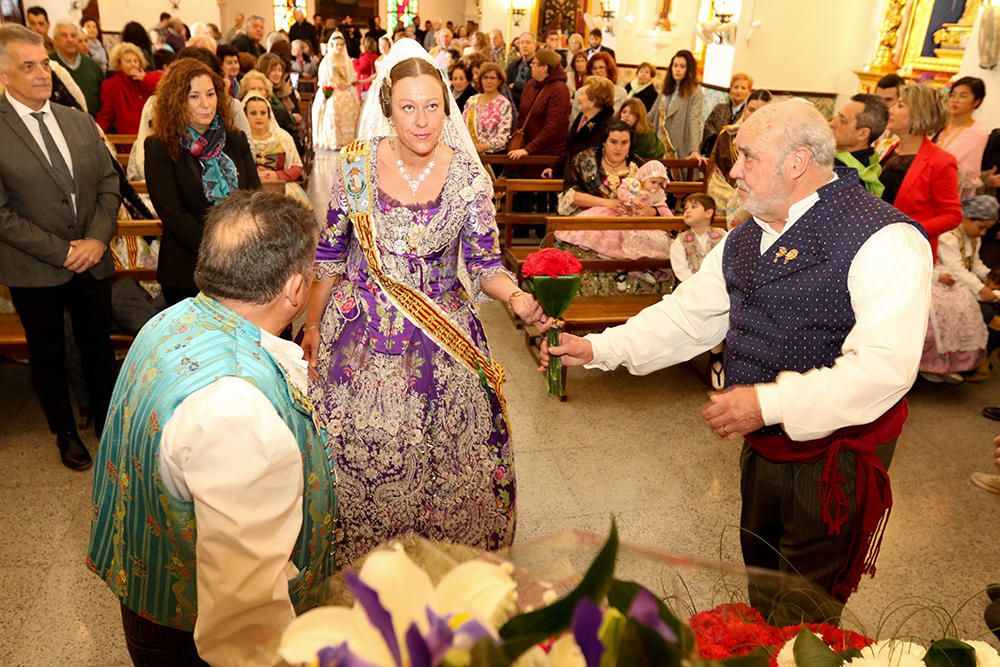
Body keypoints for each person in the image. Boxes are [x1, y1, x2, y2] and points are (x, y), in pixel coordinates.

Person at [541, 100, 933, 625]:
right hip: (761, 442)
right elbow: (686, 318)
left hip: (834, 458)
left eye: (747, 156)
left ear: (797, 161)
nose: (733, 170)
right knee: (765, 581)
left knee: (805, 614)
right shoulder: (748, 235)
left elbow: (884, 368)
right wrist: (598, 348)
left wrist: (767, 402)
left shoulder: (885, 239)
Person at [300, 39, 549, 564]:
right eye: (408, 107)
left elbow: (485, 264)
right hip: (358, 339)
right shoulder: (355, 168)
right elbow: (328, 256)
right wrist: (314, 325)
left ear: (447, 107)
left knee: (446, 464)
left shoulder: (468, 176)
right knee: (360, 466)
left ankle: (441, 572)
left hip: (442, 340)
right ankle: (364, 573)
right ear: (388, 108)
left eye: (432, 106)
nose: (421, 121)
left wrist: (517, 298)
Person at [87, 190, 337, 667]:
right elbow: (244, 612)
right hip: (197, 638)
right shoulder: (237, 407)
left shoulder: (171, 320)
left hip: (149, 593)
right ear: (293, 288)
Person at [0, 24, 120, 470]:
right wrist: (61, 251)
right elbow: (1, 214)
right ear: (4, 74)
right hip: (35, 266)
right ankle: (65, 433)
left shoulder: (75, 118)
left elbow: (110, 183)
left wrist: (96, 239)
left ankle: (109, 423)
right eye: (27, 66)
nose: (41, 74)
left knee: (97, 345)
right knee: (47, 352)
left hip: (91, 258)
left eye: (44, 64)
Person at [145, 59, 261, 306]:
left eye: (210, 94)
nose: (206, 104)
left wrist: (241, 244)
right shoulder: (161, 148)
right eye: (194, 97)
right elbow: (173, 213)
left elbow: (254, 196)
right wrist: (220, 248)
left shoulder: (235, 139)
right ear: (177, 101)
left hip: (242, 261)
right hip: (188, 267)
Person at [881, 83, 962, 262]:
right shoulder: (892, 149)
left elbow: (952, 215)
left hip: (908, 252)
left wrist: (911, 229)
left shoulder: (940, 161)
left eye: (900, 105)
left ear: (918, 114)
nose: (891, 110)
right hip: (879, 242)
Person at [935, 195, 1000, 382]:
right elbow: (957, 269)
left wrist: (989, 275)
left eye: (987, 228)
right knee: (974, 312)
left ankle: (973, 362)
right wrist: (981, 289)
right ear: (967, 218)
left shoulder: (973, 237)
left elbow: (975, 263)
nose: (983, 233)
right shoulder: (949, 236)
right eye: (982, 227)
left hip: (963, 281)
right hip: (946, 281)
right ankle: (952, 363)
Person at [671, 192, 727, 388]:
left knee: (722, 307)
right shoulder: (681, 240)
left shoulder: (723, 236)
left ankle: (720, 356)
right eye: (685, 207)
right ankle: (716, 356)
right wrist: (700, 286)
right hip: (692, 289)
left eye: (693, 207)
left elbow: (729, 263)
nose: (687, 210)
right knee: (705, 307)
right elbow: (681, 270)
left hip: (720, 287)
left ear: (708, 212)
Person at [705, 89, 772, 218]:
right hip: (725, 197)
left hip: (761, 202)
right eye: (751, 110)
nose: (754, 116)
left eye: (761, 112)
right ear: (745, 109)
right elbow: (714, 174)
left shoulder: (775, 141)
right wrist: (735, 197)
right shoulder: (727, 136)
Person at [543, 75, 616, 179]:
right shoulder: (581, 117)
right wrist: (554, 167)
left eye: (583, 94)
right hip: (571, 177)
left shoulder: (606, 125)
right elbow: (571, 149)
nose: (579, 97)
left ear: (593, 101)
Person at [242, 93, 308, 205]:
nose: (259, 117)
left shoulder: (283, 137)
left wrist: (277, 175)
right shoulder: (240, 139)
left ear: (269, 115)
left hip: (282, 187)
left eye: (263, 113)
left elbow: (297, 168)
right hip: (249, 190)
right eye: (253, 113)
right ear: (245, 116)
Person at [935, 76, 989, 197]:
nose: (955, 100)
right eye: (953, 95)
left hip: (952, 191)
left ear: (976, 101)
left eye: (963, 96)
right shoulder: (938, 126)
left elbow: (970, 174)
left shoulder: (978, 134)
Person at [96, 43, 163, 135]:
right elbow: (106, 114)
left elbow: (164, 87)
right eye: (128, 61)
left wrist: (145, 79)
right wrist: (97, 132)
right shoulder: (111, 84)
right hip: (128, 138)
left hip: (151, 133)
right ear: (119, 63)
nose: (133, 64)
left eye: (136, 61)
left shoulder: (146, 78)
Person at [830, 93, 888, 196]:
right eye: (838, 116)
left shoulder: (844, 174)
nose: (832, 124)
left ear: (862, 134)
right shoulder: (871, 161)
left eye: (843, 121)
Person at [649, 49, 703, 159]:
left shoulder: (695, 91)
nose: (677, 69)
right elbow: (653, 113)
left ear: (689, 70)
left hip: (678, 144)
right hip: (659, 142)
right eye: (675, 65)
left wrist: (694, 149)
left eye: (682, 66)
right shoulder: (667, 87)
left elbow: (694, 121)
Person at [312, 31, 359, 150]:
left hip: (346, 89)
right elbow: (323, 78)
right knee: (333, 106)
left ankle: (348, 140)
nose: (339, 47)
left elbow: (353, 75)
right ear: (332, 45)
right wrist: (335, 84)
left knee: (351, 106)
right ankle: (335, 140)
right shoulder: (326, 61)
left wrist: (347, 84)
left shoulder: (347, 60)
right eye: (337, 44)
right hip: (333, 90)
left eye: (341, 45)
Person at [49, 19, 104, 117]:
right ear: (55, 40)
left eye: (73, 36)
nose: (70, 39)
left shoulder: (93, 66)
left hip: (92, 124)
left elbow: (104, 99)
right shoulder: (48, 65)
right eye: (64, 36)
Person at [463, 62, 513, 153]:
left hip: (492, 158)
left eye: (492, 78)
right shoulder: (472, 101)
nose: (488, 81)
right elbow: (461, 127)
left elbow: (503, 136)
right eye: (485, 77)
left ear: (499, 81)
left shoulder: (504, 104)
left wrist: (484, 147)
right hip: (469, 154)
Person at [701, 72, 752, 155]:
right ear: (730, 90)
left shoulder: (749, 113)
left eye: (743, 88)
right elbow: (708, 127)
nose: (739, 91)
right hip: (714, 153)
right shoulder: (719, 108)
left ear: (749, 92)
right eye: (735, 87)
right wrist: (718, 140)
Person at [873, 72, 904, 156]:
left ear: (901, 100)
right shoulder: (868, 123)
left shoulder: (905, 130)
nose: (882, 104)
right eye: (879, 99)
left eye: (888, 100)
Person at [505, 32, 536, 108]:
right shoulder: (512, 66)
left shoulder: (539, 66)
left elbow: (533, 88)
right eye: (522, 43)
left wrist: (516, 85)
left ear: (535, 46)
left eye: (528, 43)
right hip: (512, 104)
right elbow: (506, 87)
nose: (524, 45)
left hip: (532, 105)